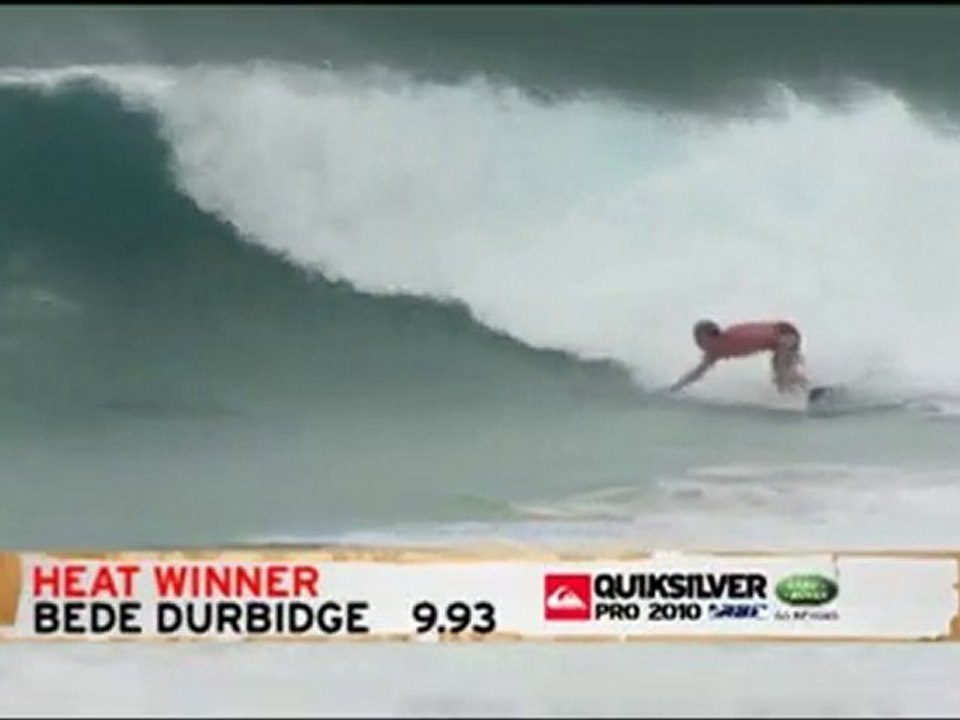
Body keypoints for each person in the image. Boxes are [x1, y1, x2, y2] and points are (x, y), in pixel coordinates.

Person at [668, 319, 808, 394]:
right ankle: (807, 393)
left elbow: (772, 332)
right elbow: (697, 373)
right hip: (782, 337)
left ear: (706, 336)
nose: (697, 343)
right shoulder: (715, 351)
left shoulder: (731, 340)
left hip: (785, 335)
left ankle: (808, 391)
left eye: (698, 338)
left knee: (781, 373)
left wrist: (787, 346)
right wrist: (675, 388)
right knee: (782, 379)